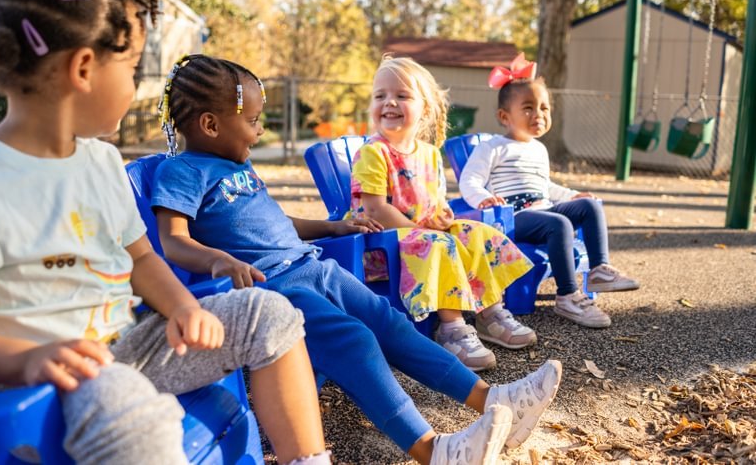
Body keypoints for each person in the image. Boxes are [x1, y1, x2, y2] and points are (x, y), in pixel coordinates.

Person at [0, 0, 331, 465]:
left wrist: (181, 306)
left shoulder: (99, 163)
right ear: (84, 68)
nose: (136, 86)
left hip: (128, 344)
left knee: (268, 314)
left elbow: (140, 259)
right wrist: (28, 361)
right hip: (37, 386)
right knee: (137, 408)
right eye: (132, 68)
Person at [151, 53, 563, 465]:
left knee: (389, 322)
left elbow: (277, 222)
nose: (259, 132)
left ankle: (491, 398)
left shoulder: (238, 166)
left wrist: (331, 227)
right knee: (356, 340)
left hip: (313, 267)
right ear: (210, 125)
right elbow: (173, 241)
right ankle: (433, 450)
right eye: (254, 121)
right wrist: (217, 261)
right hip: (272, 288)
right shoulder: (183, 172)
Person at [349, 56, 538, 372]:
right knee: (440, 243)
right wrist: (423, 230)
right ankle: (451, 329)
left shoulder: (429, 155)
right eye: (380, 95)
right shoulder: (373, 153)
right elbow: (375, 209)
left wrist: (443, 216)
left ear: (424, 109)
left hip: (420, 235)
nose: (389, 103)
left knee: (477, 233)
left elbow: (434, 202)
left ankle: (490, 313)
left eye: (402, 96)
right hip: (380, 245)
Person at [458, 54, 640, 328]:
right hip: (511, 218)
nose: (539, 114)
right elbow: (469, 181)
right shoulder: (493, 148)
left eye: (544, 108)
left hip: (543, 209)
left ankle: (600, 271)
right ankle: (568, 296)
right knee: (559, 224)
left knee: (590, 206)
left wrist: (571, 196)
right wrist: (484, 199)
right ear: (504, 116)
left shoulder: (538, 149)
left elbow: (544, 187)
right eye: (528, 108)